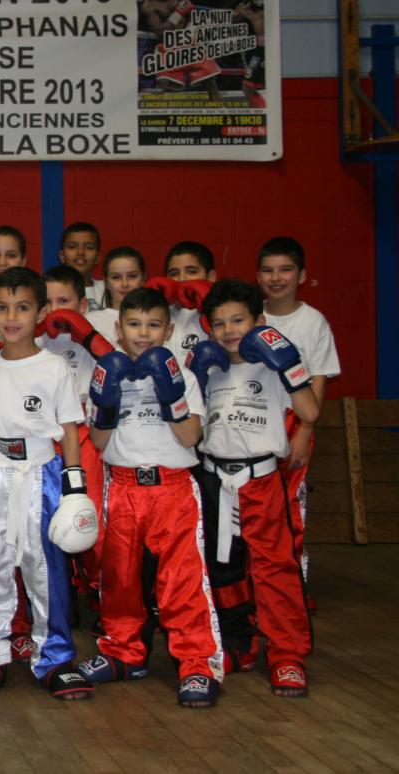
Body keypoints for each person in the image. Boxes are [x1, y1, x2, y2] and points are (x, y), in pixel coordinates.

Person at [77, 287, 224, 707]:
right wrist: (107, 403)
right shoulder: (107, 373)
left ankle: (197, 663)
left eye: (153, 325)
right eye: (134, 324)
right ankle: (124, 652)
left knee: (182, 581)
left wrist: (170, 393)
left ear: (169, 331)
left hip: (172, 488)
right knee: (119, 579)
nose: (143, 333)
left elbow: (191, 437)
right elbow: (99, 442)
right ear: (119, 329)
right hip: (122, 485)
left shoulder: (184, 377)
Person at [0, 267, 95, 701]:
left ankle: (54, 657)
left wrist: (74, 487)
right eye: (2, 308)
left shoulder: (54, 367)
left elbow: (69, 429)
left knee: (45, 568)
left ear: (41, 311)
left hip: (41, 473)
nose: (11, 317)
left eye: (21, 307)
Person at [193, 280, 318, 697]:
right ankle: (239, 644)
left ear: (259, 322)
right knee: (223, 568)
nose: (228, 330)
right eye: (219, 323)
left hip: (260, 480)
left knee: (274, 568)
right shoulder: (209, 368)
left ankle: (287, 655)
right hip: (214, 478)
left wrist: (289, 365)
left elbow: (309, 411)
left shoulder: (273, 365)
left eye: (238, 320)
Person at [257, 236, 339, 586]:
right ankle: (257, 582)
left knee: (290, 504)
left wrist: (305, 431)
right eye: (268, 270)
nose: (276, 278)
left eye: (285, 270)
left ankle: (293, 584)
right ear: (258, 276)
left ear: (302, 275)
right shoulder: (252, 316)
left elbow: (318, 380)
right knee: (256, 508)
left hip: (294, 422)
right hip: (254, 420)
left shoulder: (313, 321)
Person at [40, 265, 113, 599]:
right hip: (42, 436)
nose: (56, 311)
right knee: (46, 520)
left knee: (89, 515)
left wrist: (88, 336)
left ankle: (99, 592)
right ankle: (60, 592)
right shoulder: (33, 339)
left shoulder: (95, 339)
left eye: (64, 301)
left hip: (82, 435)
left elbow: (118, 368)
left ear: (83, 305)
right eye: (48, 302)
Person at [141, 0, 222, 100]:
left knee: (211, 82)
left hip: (189, 42)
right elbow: (158, 30)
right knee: (162, 82)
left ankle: (220, 110)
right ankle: (153, 110)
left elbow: (192, 14)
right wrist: (178, 14)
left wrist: (194, 25)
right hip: (169, 45)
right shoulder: (149, 6)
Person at [159, 240, 216, 364]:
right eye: (174, 273)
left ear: (211, 276)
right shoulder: (159, 315)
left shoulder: (220, 315)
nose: (182, 279)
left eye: (192, 271)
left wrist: (210, 311)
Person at [86, 246, 146, 345]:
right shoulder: (91, 321)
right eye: (116, 277)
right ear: (106, 282)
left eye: (132, 276)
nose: (125, 284)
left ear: (143, 278)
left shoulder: (157, 318)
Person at [232, 0, 267, 108]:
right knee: (247, 87)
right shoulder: (242, 7)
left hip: (272, 48)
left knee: (270, 83)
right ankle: (264, 113)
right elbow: (229, 19)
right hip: (259, 50)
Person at [58, 222, 104, 311]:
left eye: (89, 247)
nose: (80, 252)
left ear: (97, 257)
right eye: (72, 247)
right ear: (62, 256)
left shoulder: (108, 290)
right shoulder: (50, 290)